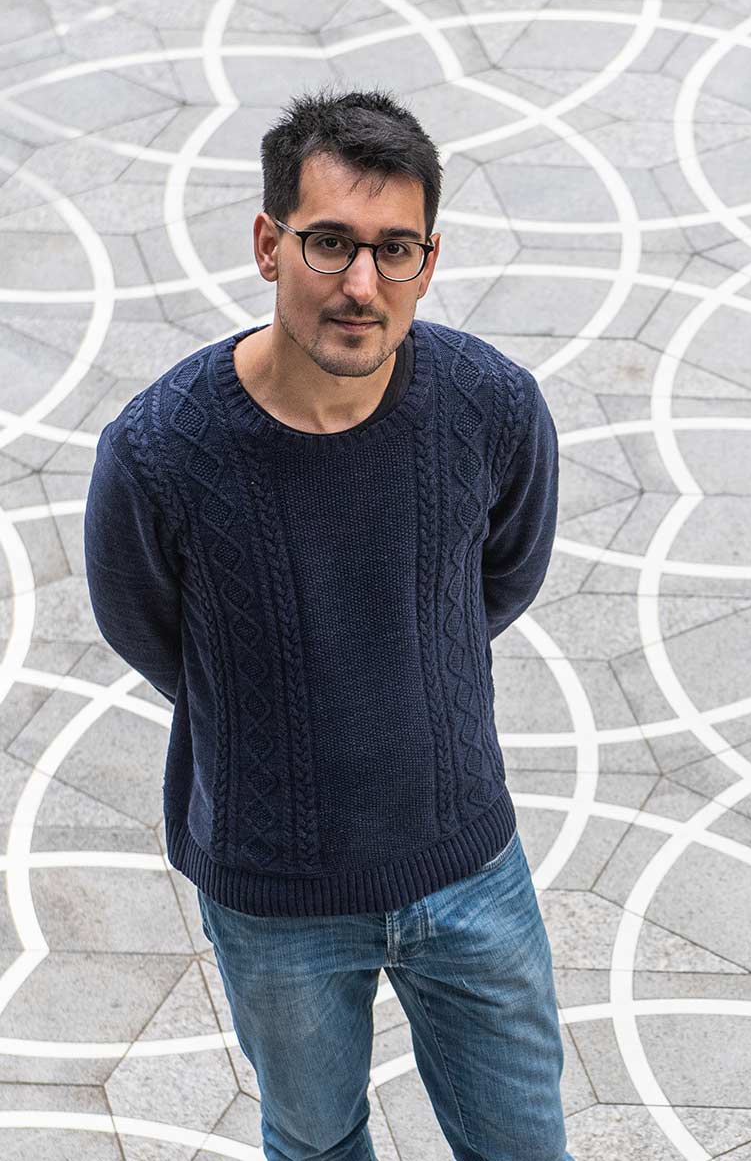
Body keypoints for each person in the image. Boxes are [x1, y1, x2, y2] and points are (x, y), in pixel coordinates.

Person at [83, 88, 574, 1161]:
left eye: (395, 250)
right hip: (278, 894)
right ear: (269, 244)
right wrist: (274, 689)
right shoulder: (160, 454)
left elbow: (504, 571)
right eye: (331, 245)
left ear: (429, 261)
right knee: (314, 1145)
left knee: (527, 1147)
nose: (362, 283)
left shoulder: (490, 405)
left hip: (466, 863)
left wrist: (407, 657)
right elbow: (145, 625)